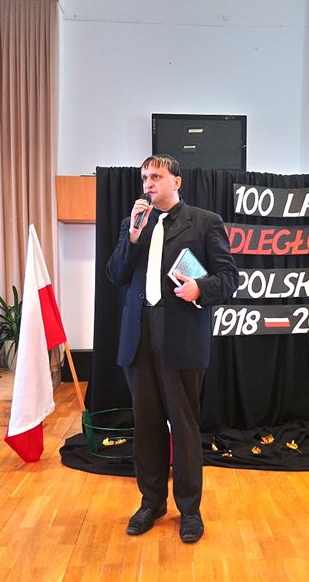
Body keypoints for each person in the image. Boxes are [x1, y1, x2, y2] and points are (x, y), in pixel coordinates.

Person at [106, 155, 237, 544]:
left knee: (184, 425)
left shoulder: (205, 222)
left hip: (180, 336)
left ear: (176, 181)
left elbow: (229, 277)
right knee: (146, 425)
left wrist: (200, 288)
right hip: (139, 335)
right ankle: (151, 503)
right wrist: (132, 236)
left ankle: (190, 510)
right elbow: (115, 274)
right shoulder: (134, 223)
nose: (148, 183)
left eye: (156, 176)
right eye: (144, 177)